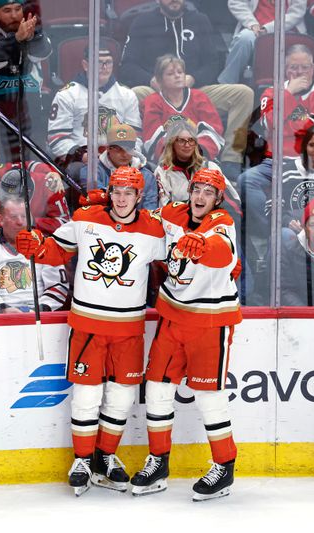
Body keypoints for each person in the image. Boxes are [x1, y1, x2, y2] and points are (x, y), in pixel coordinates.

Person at [15, 166, 166, 496]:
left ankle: (106, 457)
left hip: (128, 329)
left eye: (129, 192)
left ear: (139, 197)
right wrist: (35, 247)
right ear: (109, 192)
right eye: (117, 191)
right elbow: (55, 250)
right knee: (86, 395)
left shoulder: (153, 231)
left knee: (122, 397)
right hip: (87, 326)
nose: (122, 198)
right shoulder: (86, 219)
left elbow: (178, 255)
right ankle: (82, 459)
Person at [129, 168, 242, 501]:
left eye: (209, 192)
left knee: (210, 398)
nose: (200, 197)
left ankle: (224, 465)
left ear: (218, 199)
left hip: (210, 323)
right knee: (158, 389)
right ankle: (159, 461)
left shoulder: (222, 223)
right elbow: (142, 221)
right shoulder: (173, 214)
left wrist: (202, 245)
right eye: (197, 190)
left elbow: (224, 253)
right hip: (172, 317)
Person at [118, 0, 254, 175]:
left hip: (194, 90)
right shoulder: (142, 22)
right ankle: (142, 155)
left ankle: (231, 160)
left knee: (243, 94)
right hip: (156, 90)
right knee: (134, 94)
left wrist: (194, 78)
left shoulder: (200, 20)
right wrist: (151, 80)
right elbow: (127, 66)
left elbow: (214, 62)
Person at [238, 43, 314, 241]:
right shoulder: (271, 92)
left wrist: (283, 124)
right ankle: (270, 231)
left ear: (313, 68)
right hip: (276, 163)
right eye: (294, 67)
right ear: (286, 69)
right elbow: (270, 122)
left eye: (304, 67)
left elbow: (311, 132)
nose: (299, 72)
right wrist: (288, 93)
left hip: (312, 164)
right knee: (245, 180)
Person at [0, 0, 52, 162]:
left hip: (32, 118)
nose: (14, 15)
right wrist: (17, 40)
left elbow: (43, 52)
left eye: (18, 9)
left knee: (36, 169)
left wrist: (33, 36)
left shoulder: (32, 33)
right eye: (7, 10)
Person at [47, 45, 143, 165]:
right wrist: (82, 156)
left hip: (120, 157)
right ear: (85, 65)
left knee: (147, 174)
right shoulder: (66, 95)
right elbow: (57, 138)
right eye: (98, 62)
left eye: (108, 62)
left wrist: (129, 157)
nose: (104, 67)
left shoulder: (127, 95)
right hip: (80, 160)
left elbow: (136, 136)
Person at [0, 198, 68, 314]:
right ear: (1, 220)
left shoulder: (46, 246)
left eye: (24, 216)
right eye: (14, 217)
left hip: (40, 315)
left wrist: (40, 309)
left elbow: (57, 285)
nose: (20, 222)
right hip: (0, 316)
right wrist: (3, 309)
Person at [142, 54, 226, 163]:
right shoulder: (153, 102)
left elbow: (214, 130)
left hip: (199, 157)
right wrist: (177, 153)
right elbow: (151, 138)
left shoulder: (199, 97)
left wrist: (196, 151)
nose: (177, 76)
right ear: (159, 80)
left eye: (180, 72)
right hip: (169, 161)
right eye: (170, 74)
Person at [217, 0, 308, 84]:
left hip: (287, 29)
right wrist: (252, 23)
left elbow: (297, 12)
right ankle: (225, 85)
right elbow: (236, 3)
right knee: (244, 39)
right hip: (255, 28)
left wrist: (268, 29)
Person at [78, 123, 158, 210]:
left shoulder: (147, 176)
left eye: (128, 148)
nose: (124, 154)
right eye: (118, 148)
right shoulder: (91, 171)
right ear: (108, 148)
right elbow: (96, 202)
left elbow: (150, 210)